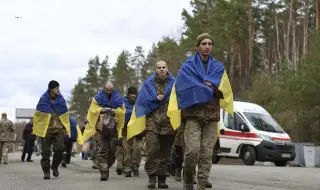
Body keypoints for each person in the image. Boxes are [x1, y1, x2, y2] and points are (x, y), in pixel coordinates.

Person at [167, 33, 233, 190]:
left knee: (206, 154)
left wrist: (209, 86)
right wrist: (207, 86)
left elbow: (224, 90)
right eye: (204, 43)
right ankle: (188, 180)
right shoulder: (187, 66)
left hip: (211, 115)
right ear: (199, 45)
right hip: (192, 116)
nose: (207, 46)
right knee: (191, 152)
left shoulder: (218, 67)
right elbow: (182, 88)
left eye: (210, 43)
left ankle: (202, 184)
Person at [127, 60, 176, 188]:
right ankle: (152, 177)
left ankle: (162, 178)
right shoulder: (148, 84)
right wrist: (154, 99)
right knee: (152, 150)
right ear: (155, 69)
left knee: (165, 152)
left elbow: (179, 99)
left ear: (167, 68)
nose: (161, 69)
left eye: (163, 67)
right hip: (152, 122)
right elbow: (141, 102)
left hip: (168, 122)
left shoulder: (174, 83)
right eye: (159, 67)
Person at [83, 81, 125, 181]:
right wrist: (101, 110)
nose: (109, 92)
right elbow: (93, 110)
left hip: (113, 128)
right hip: (100, 128)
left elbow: (122, 111)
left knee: (112, 150)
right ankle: (104, 171)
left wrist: (115, 111)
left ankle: (107, 165)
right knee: (102, 150)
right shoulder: (97, 98)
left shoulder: (118, 98)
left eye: (111, 90)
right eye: (107, 90)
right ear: (104, 88)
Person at [33, 80, 72, 180]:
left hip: (58, 130)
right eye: (56, 89)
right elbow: (38, 115)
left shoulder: (61, 100)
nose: (58, 90)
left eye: (59, 88)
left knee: (59, 149)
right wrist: (37, 128)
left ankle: (54, 166)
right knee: (45, 152)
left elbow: (65, 113)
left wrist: (66, 127)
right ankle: (46, 171)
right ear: (51, 90)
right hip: (46, 130)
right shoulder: (43, 100)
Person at [122, 87, 143, 177]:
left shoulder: (140, 102)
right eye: (131, 94)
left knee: (138, 148)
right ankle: (127, 167)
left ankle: (135, 166)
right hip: (126, 129)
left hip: (137, 130)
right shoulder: (123, 103)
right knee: (127, 149)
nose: (133, 95)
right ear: (128, 94)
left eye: (134, 94)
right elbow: (121, 113)